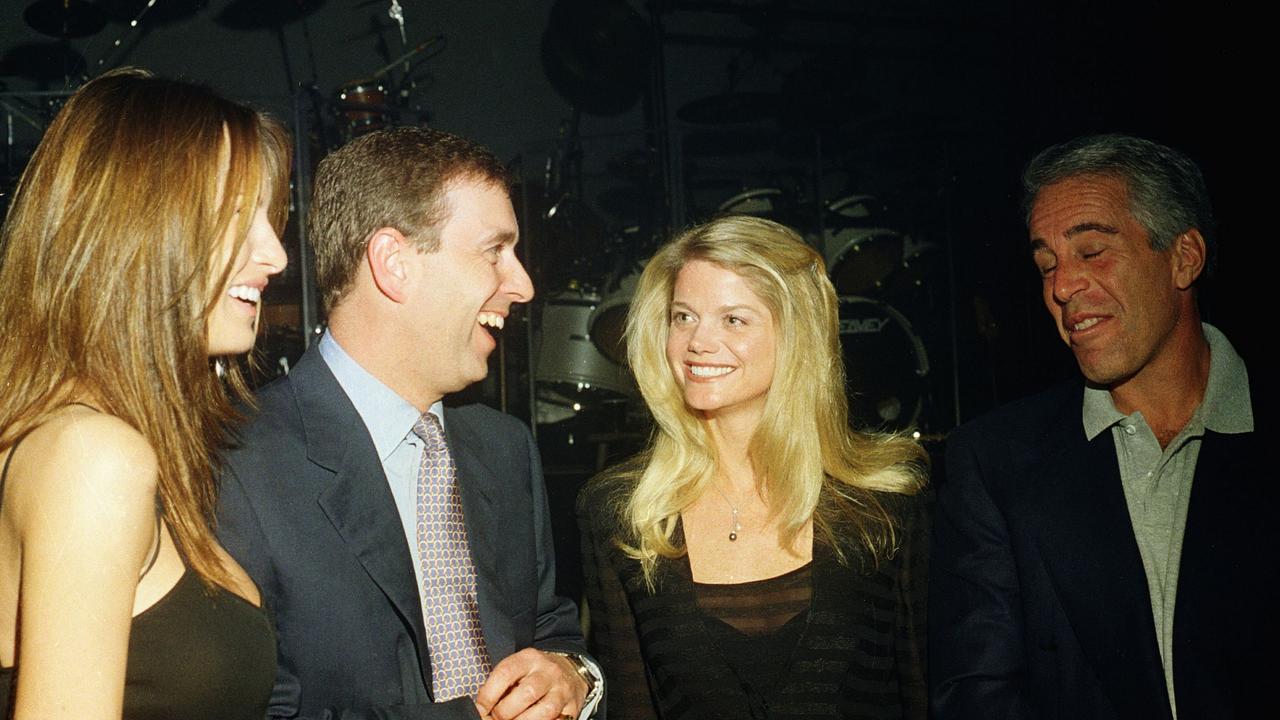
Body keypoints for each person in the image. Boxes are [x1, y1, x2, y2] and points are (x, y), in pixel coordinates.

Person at [217, 126, 601, 720]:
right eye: (494, 251)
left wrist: (573, 680)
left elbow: (553, 632)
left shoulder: (505, 448)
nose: (522, 285)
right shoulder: (236, 461)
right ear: (394, 263)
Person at [930, 134, 1270, 719]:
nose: (1062, 287)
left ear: (1184, 258)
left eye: (1091, 252)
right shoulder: (995, 460)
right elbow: (975, 693)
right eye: (1046, 265)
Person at [0, 68, 290, 719]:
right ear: (140, 226)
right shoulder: (92, 457)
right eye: (240, 215)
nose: (274, 254)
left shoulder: (95, 444)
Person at [577, 215, 930, 720]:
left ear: (796, 334)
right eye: (683, 317)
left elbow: (924, 693)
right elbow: (632, 708)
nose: (697, 342)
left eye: (733, 319)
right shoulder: (625, 514)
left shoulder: (887, 501)